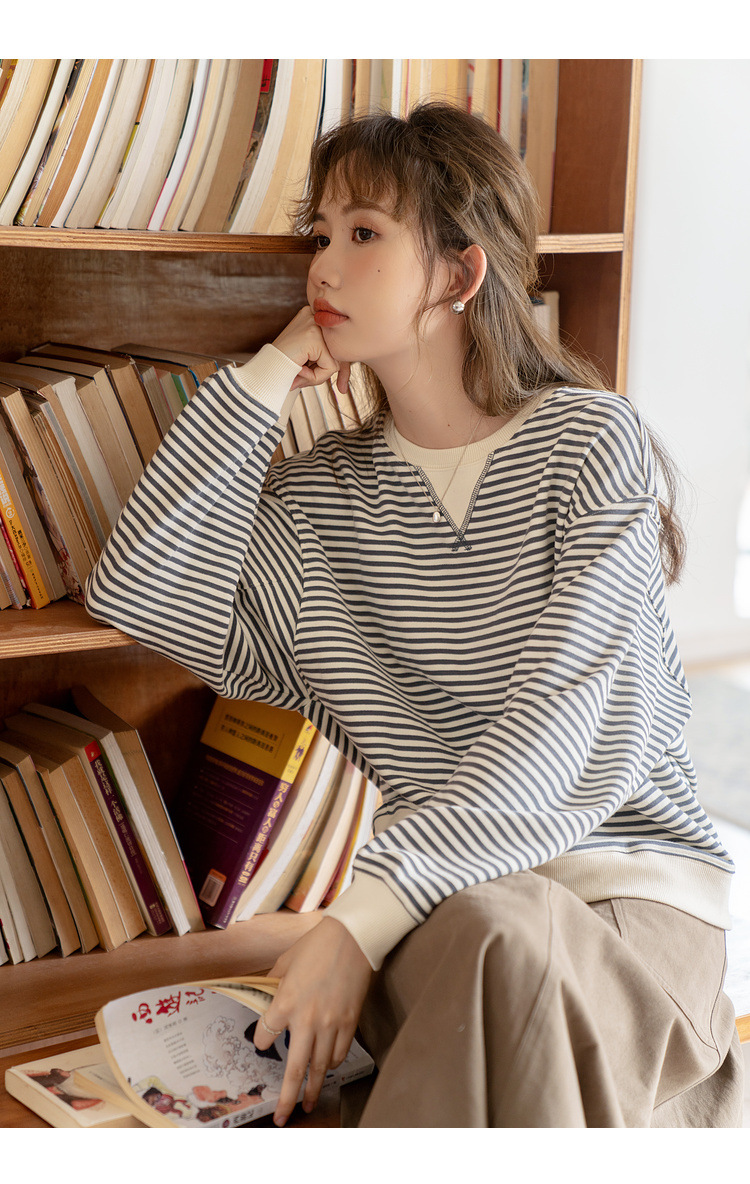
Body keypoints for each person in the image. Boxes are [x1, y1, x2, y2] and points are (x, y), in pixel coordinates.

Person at [85, 101, 743, 1128]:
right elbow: (141, 591)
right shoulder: (321, 502)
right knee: (493, 935)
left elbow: (567, 724)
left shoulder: (587, 445)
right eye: (320, 236)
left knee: (505, 940)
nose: (323, 268)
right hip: (440, 910)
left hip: (624, 900)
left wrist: (359, 919)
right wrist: (267, 376)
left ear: (458, 273)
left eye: (364, 233)